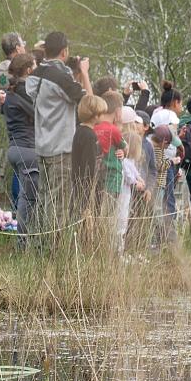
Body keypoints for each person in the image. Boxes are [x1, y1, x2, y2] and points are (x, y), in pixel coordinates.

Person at [26, 31, 92, 234]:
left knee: (45, 201)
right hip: (60, 148)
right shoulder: (60, 77)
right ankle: (55, 255)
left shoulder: (35, 75)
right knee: (59, 207)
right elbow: (90, 104)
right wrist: (85, 73)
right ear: (64, 51)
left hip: (43, 146)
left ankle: (40, 249)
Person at [3, 53, 38, 238]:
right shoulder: (27, 91)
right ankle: (23, 242)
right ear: (29, 70)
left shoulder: (12, 91)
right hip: (28, 150)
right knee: (29, 199)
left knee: (25, 196)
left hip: (15, 149)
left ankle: (23, 241)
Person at [94, 90, 128, 218]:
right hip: (113, 180)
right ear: (118, 111)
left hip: (96, 179)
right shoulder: (114, 130)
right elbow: (126, 147)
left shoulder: (93, 127)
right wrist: (123, 151)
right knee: (108, 217)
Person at [71, 95, 105, 215]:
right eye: (102, 114)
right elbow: (89, 167)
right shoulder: (89, 136)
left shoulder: (79, 130)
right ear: (95, 115)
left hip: (79, 188)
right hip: (87, 191)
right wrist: (87, 201)